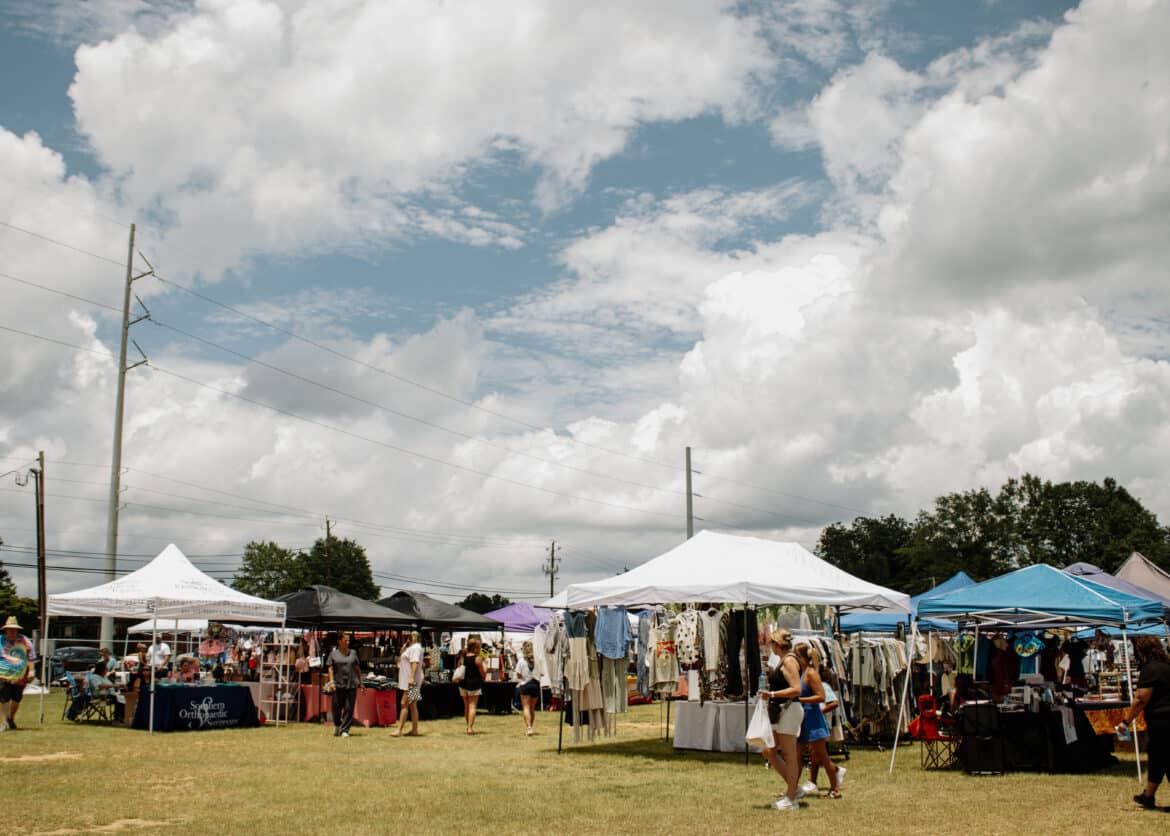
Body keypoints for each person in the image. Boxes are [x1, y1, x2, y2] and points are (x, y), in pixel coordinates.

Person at [757, 629, 804, 811]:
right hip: (783, 711)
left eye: (771, 643)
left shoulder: (789, 661)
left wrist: (772, 694)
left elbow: (796, 689)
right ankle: (794, 788)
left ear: (776, 644)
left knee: (789, 754)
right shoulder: (784, 660)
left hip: (789, 710)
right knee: (769, 750)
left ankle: (791, 797)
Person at [1122, 636, 1170, 809]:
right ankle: (1148, 796)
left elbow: (1141, 698)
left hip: (1162, 720)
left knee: (1162, 756)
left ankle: (1148, 796)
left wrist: (1126, 721)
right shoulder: (1167, 666)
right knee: (1158, 757)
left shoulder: (1151, 669)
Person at [793, 643, 843, 799]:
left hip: (813, 719)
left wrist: (801, 700)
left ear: (802, 657)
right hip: (803, 719)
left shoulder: (811, 674)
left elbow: (821, 697)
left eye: (796, 656)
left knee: (822, 756)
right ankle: (792, 788)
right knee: (797, 756)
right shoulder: (803, 673)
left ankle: (835, 789)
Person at [0, 616, 36, 732]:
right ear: (6, 630)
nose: (12, 632)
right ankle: (3, 723)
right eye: (9, 629)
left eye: (14, 629)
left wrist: (31, 670)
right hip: (3, 675)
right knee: (4, 698)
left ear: (17, 630)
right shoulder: (0, 640)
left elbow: (31, 657)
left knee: (16, 699)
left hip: (20, 676)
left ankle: (10, 718)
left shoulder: (25, 640)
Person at [326, 633, 362, 738]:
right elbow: (330, 668)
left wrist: (361, 682)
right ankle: (337, 725)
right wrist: (331, 682)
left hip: (351, 683)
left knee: (349, 708)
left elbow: (357, 668)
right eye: (346, 640)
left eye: (348, 640)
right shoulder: (333, 654)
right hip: (338, 684)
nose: (348, 642)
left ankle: (345, 729)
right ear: (339, 641)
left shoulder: (353, 653)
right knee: (336, 707)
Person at [392, 631, 424, 737]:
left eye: (411, 636)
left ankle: (399, 730)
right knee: (412, 704)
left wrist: (411, 677)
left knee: (404, 703)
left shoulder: (415, 648)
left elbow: (415, 663)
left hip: (410, 681)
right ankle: (414, 730)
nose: (409, 638)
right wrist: (403, 651)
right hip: (411, 680)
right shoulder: (414, 648)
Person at [458, 636, 488, 735]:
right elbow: (483, 674)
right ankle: (470, 728)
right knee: (472, 706)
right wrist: (485, 664)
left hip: (463, 683)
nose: (480, 649)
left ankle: (468, 726)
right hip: (474, 684)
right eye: (479, 647)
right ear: (475, 648)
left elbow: (458, 669)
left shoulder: (463, 657)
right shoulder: (478, 659)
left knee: (466, 706)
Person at [514, 640, 540, 736]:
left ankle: (529, 727)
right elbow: (541, 673)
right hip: (535, 684)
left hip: (525, 685)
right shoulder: (537, 660)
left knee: (526, 707)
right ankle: (530, 727)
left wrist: (523, 677)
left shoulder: (521, 661)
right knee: (532, 708)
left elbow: (518, 674)